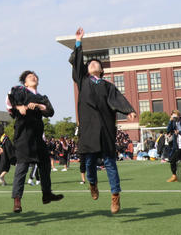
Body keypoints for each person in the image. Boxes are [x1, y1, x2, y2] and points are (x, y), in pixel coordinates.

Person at [70, 27, 136, 214]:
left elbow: (117, 100)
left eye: (95, 63)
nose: (92, 64)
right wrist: (78, 42)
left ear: (101, 69)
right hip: (89, 129)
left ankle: (115, 197)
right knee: (89, 163)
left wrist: (128, 110)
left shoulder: (108, 86)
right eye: (89, 63)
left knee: (110, 163)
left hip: (105, 128)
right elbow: (76, 64)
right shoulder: (82, 81)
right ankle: (92, 183)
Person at [7, 70, 63, 213]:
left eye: (35, 76)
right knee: (22, 167)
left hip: (38, 135)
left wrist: (37, 105)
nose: (33, 77)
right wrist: (19, 106)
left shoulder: (42, 97)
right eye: (30, 76)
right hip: (24, 134)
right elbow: (11, 100)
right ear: (25, 82)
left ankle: (46, 193)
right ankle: (17, 200)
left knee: (45, 164)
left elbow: (50, 111)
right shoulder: (20, 90)